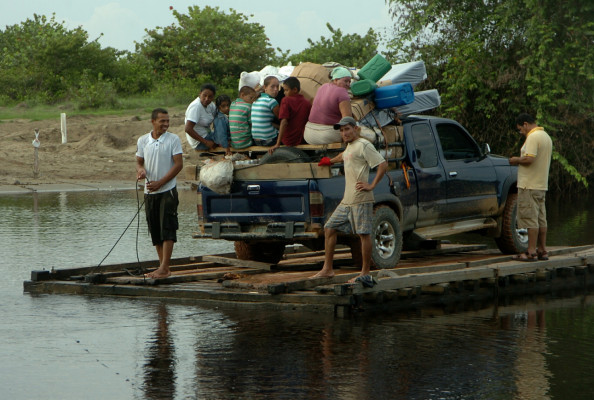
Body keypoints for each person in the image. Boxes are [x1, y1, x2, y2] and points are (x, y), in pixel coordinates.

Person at [312, 116, 388, 282]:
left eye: (347, 129)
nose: (344, 133)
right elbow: (345, 155)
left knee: (363, 234)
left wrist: (371, 185)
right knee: (330, 228)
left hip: (361, 198)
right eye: (341, 130)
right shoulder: (350, 146)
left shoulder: (364, 144)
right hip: (347, 200)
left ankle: (365, 273)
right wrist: (330, 161)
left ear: (356, 129)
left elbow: (382, 164)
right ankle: (327, 269)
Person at [136, 108, 183, 279]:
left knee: (168, 227)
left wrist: (161, 182)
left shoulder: (173, 139)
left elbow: (178, 165)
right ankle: (163, 267)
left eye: (167, 121)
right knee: (155, 229)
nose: (165, 124)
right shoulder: (143, 140)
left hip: (167, 190)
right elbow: (139, 162)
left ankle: (164, 267)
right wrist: (140, 171)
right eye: (162, 121)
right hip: (150, 192)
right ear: (153, 121)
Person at [509, 113, 553, 262]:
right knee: (541, 219)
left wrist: (515, 160)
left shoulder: (533, 137)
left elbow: (529, 158)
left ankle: (531, 252)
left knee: (530, 219)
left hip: (529, 185)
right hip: (541, 185)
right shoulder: (545, 136)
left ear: (526, 124)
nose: (520, 132)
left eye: (520, 128)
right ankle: (543, 250)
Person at [303, 66, 353, 145]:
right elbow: (347, 119)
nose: (348, 84)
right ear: (336, 80)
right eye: (346, 81)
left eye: (349, 82)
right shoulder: (342, 91)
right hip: (327, 135)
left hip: (309, 134)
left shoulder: (323, 86)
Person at [268, 77, 312, 154]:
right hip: (301, 139)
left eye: (286, 90)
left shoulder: (286, 100)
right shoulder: (307, 103)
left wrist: (277, 143)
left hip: (288, 140)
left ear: (294, 89)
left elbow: (284, 122)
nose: (284, 93)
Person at [184, 83, 217, 151]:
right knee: (225, 140)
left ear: (213, 97)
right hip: (199, 141)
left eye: (210, 97)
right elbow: (188, 129)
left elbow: (218, 115)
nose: (207, 99)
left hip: (207, 133)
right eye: (204, 95)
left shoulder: (210, 105)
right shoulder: (196, 107)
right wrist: (206, 142)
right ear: (200, 94)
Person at [251, 76, 280, 146]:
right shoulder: (271, 101)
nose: (276, 89)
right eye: (272, 87)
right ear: (265, 87)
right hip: (268, 140)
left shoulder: (255, 100)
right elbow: (281, 118)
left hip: (256, 140)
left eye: (277, 87)